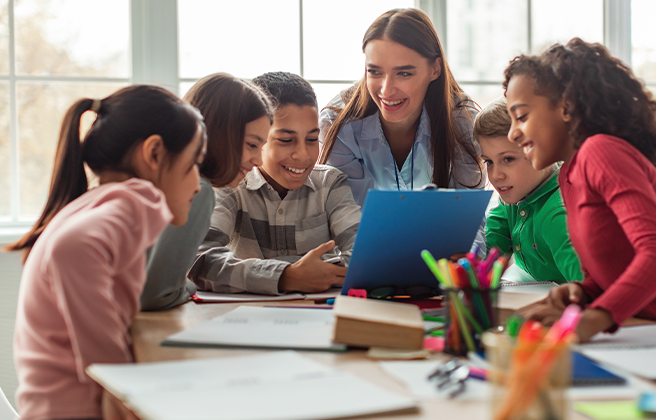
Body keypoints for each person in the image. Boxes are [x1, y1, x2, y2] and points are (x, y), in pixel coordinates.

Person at [504, 38, 656, 341]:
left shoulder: (601, 153)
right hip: (655, 340)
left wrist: (594, 319)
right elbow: (607, 274)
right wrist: (581, 294)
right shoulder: (569, 176)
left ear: (565, 107)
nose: (513, 132)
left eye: (522, 116)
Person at [7, 85, 206, 420]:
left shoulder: (100, 202)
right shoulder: (130, 202)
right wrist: (121, 381)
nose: (198, 184)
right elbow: (72, 247)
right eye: (193, 164)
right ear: (155, 154)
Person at [190, 72, 361, 294]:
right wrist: (287, 276)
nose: (302, 155)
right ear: (258, 137)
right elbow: (200, 261)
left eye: (311, 139)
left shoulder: (330, 184)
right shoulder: (231, 185)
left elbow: (362, 258)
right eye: (286, 140)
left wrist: (261, 273)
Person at [319, 8, 485, 206]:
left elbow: (467, 218)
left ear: (435, 69)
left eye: (404, 74)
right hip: (370, 237)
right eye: (375, 72)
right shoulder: (337, 124)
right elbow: (350, 219)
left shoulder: (462, 122)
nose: (386, 90)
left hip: (445, 237)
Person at [141, 73, 273, 310]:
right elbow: (157, 294)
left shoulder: (159, 180)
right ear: (219, 134)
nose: (259, 161)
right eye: (252, 145)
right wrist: (188, 286)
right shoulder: (196, 190)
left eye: (262, 147)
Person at [476, 99, 581, 283]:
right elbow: (497, 230)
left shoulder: (556, 215)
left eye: (508, 159)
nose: (496, 175)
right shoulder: (517, 194)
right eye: (489, 162)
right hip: (532, 282)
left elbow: (586, 286)